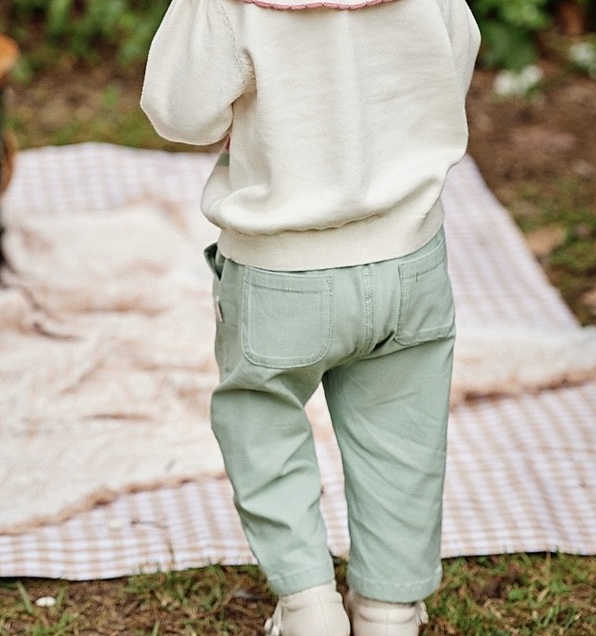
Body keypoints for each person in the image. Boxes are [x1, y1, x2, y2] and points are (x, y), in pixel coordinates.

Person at [141, 0, 480, 633]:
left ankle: (308, 603)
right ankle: (388, 608)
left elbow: (178, 111)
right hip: (408, 258)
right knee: (403, 438)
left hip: (280, 268)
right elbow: (454, 59)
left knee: (263, 425)